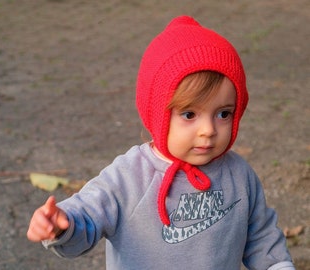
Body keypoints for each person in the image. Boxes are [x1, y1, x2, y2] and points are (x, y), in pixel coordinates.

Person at [27, 15, 295, 270]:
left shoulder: (239, 175)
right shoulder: (130, 177)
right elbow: (87, 215)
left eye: (223, 113)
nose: (209, 130)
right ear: (157, 114)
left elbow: (261, 238)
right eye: (189, 114)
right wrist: (62, 225)